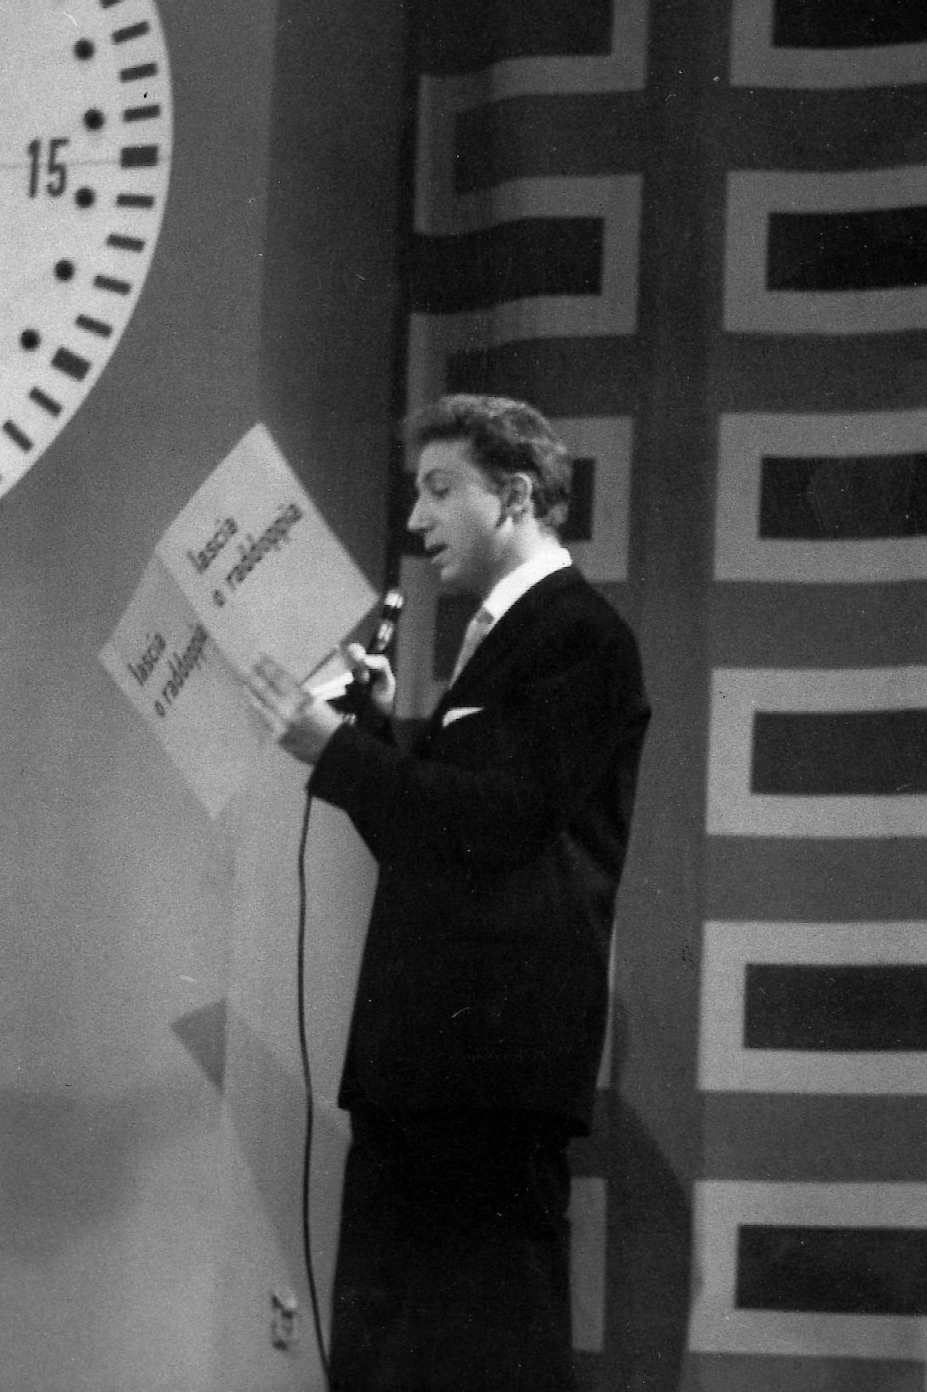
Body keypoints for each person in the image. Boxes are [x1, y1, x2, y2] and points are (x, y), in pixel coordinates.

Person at [238, 394, 648, 1392]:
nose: (417, 519)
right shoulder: (506, 638)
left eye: (438, 489)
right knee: (393, 1360)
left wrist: (342, 754)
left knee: (487, 1359)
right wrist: (374, 739)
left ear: (514, 496)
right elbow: (432, 846)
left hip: (488, 1073)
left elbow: (505, 822)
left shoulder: (580, 635)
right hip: (428, 1068)